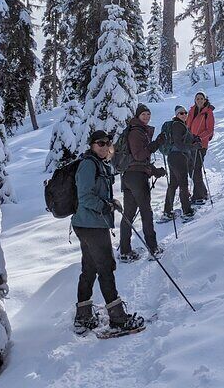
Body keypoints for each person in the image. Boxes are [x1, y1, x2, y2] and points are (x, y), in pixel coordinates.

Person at [72, 130, 145, 335]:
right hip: (91, 225)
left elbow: (96, 193)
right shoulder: (88, 164)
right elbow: (85, 197)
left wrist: (110, 203)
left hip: (90, 224)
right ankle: (118, 318)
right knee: (105, 268)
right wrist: (106, 206)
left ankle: (83, 315)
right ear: (92, 145)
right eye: (99, 143)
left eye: (106, 143)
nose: (104, 146)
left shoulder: (100, 163)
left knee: (90, 268)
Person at [119, 104, 167, 262]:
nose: (146, 117)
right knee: (146, 213)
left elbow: (138, 160)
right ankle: (153, 248)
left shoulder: (136, 130)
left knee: (129, 214)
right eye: (144, 114)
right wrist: (156, 144)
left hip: (129, 177)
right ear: (138, 116)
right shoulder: (136, 132)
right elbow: (140, 156)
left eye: (148, 114)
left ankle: (125, 251)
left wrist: (155, 171)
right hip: (136, 178)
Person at [163, 105, 203, 220]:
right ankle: (187, 211)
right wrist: (194, 146)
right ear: (176, 115)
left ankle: (167, 211)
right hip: (178, 157)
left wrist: (194, 139)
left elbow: (185, 140)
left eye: (185, 113)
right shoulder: (177, 126)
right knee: (183, 184)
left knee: (174, 184)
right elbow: (179, 144)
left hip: (174, 157)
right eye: (181, 113)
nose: (184, 115)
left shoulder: (181, 125)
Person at [186, 91, 215, 204]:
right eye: (197, 98)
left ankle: (198, 196)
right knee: (191, 169)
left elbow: (210, 130)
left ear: (205, 100)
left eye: (201, 98)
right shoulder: (192, 111)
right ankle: (202, 192)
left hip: (201, 144)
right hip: (191, 144)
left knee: (196, 168)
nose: (199, 100)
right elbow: (187, 126)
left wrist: (200, 138)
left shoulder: (208, 112)